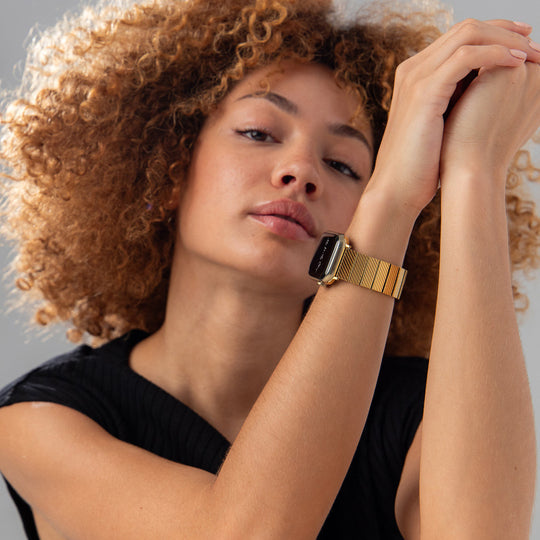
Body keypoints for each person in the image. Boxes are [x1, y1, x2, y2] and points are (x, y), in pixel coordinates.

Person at [0, 0, 539, 538]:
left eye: (343, 165)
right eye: (259, 133)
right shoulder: (45, 418)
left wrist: (473, 168)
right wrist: (392, 192)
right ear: (167, 170)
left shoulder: (414, 411)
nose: (301, 171)